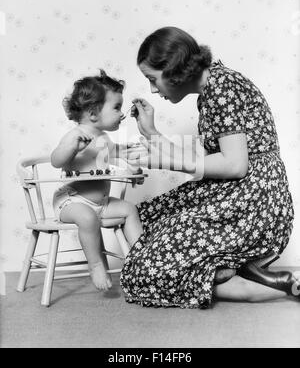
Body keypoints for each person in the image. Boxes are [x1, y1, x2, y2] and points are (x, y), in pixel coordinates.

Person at [120, 26, 299, 308]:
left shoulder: (221, 88)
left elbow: (234, 165)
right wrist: (151, 133)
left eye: (153, 79)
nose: (153, 90)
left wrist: (161, 160)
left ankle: (239, 275)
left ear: (175, 69)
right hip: (242, 191)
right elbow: (210, 161)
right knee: (152, 218)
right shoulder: (214, 87)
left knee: (148, 266)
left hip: (254, 199)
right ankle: (239, 274)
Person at [51, 70, 143, 291]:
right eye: (116, 107)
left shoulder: (104, 138)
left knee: (130, 209)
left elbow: (118, 158)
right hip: (72, 201)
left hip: (100, 204)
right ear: (93, 113)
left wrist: (134, 167)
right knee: (87, 217)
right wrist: (71, 148)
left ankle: (142, 257)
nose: (121, 114)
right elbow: (56, 161)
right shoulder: (76, 135)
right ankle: (95, 265)